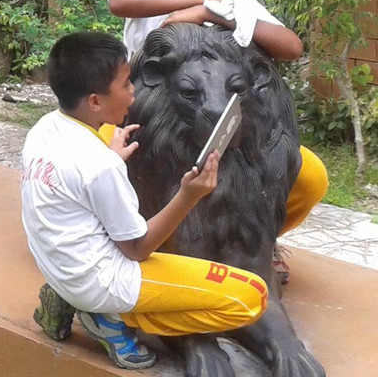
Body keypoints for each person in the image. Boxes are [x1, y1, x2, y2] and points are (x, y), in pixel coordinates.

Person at [107, 0, 327, 280]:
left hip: (217, 136)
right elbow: (119, 2)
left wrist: (216, 14)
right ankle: (128, 235)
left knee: (311, 177)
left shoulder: (235, 3)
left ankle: (258, 241)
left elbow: (291, 46)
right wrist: (204, 1)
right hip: (139, 123)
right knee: (97, 163)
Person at [22, 32, 267, 370]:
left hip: (57, 264)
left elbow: (77, 187)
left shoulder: (44, 129)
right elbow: (137, 249)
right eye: (126, 84)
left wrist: (110, 158)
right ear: (95, 102)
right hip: (103, 279)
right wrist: (188, 195)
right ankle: (110, 316)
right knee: (252, 296)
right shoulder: (100, 165)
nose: (134, 91)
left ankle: (68, 294)